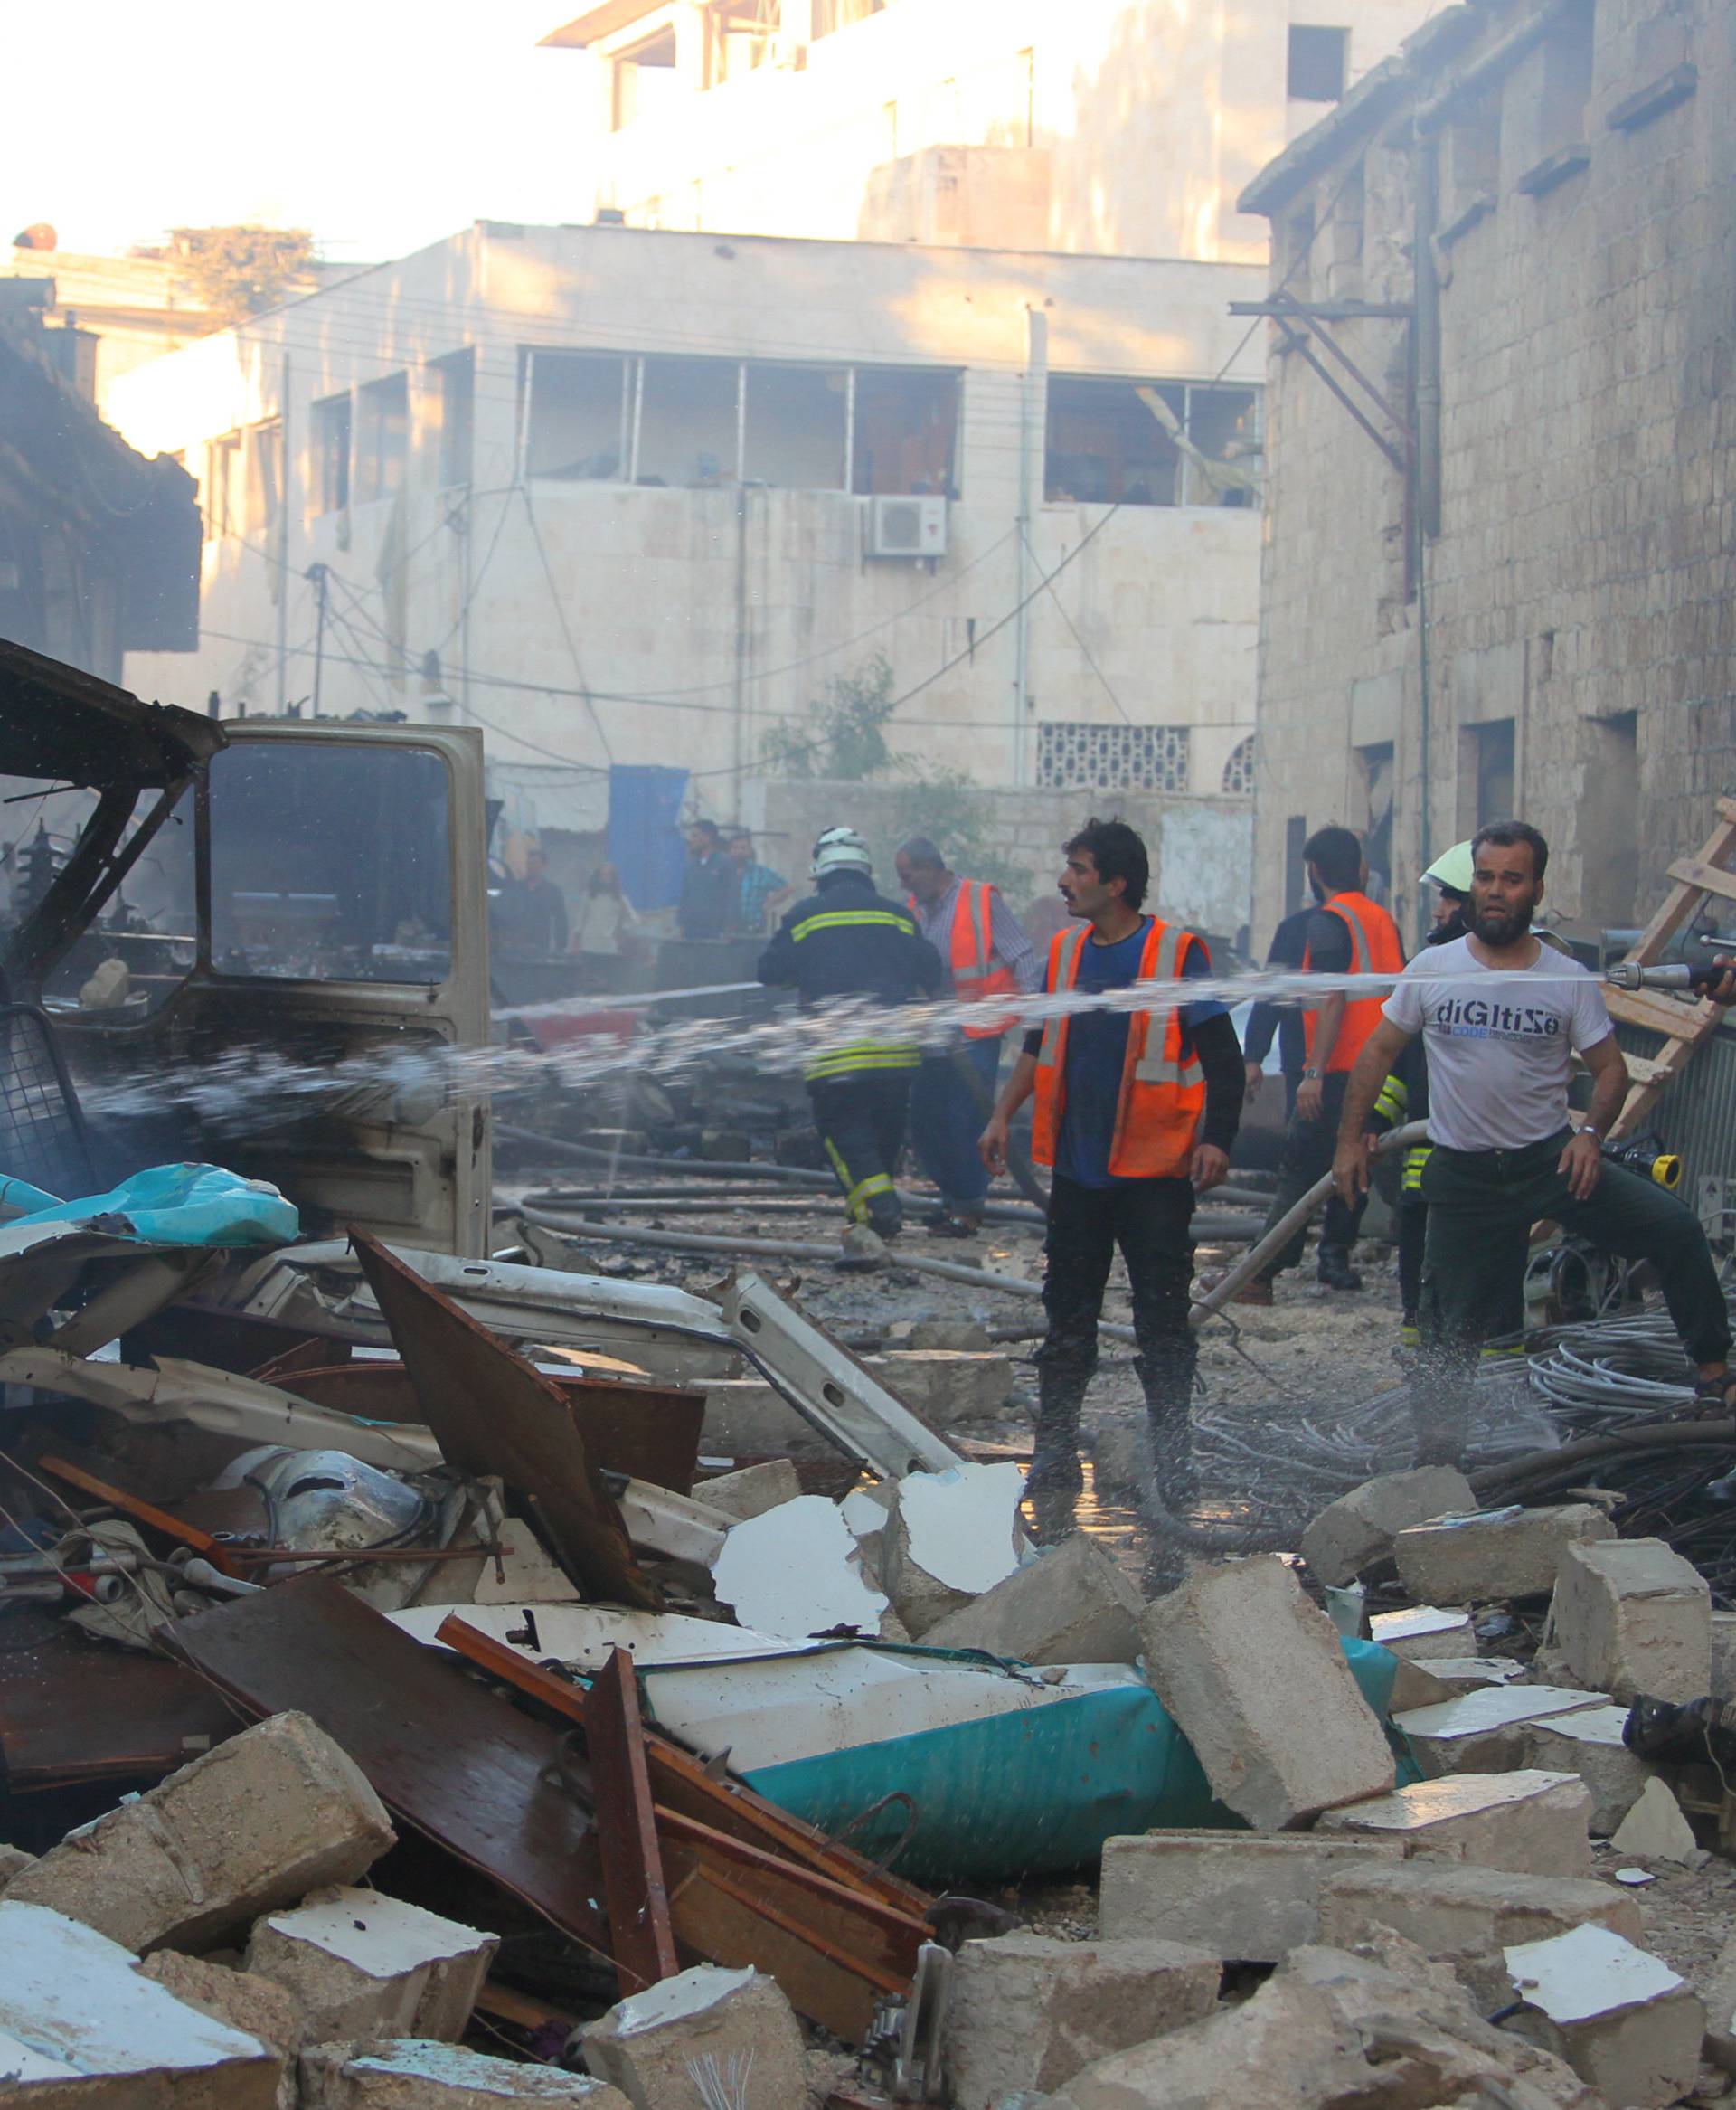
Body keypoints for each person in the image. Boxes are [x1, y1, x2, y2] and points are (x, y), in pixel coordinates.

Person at [1334, 819, 1736, 1467]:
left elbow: (1609, 1070)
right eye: (1484, 877)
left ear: (1536, 889)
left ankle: (1716, 1376)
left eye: (1510, 879)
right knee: (1445, 1332)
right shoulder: (1433, 967)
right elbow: (1377, 1052)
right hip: (1464, 1179)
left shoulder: (1564, 977)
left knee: (1677, 1228)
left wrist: (1588, 1136)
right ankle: (1438, 1465)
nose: (1494, 891)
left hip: (1549, 1164)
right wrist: (1350, 1140)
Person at [978, 818, 1244, 1549]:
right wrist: (1003, 1113)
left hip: (1156, 1174)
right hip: (1078, 1173)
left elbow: (1223, 1058)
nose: (1066, 881)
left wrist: (1217, 1140)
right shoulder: (1064, 954)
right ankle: (1055, 1452)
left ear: (1116, 882)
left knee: (1162, 1321)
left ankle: (1174, 1460)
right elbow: (1039, 1042)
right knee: (1067, 1318)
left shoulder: (1173, 954)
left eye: (1079, 869)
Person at [1238, 824, 1405, 1302]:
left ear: (1313, 872)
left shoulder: (1317, 924)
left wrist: (1294, 1067)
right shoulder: (1380, 921)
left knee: (1301, 1167)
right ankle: (1336, 1255)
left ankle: (1261, 1271)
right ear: (1362, 870)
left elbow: (1304, 997)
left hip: (1327, 1072)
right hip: (1379, 1067)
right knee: (1364, 1161)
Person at [758, 826, 943, 1240]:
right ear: (866, 870)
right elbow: (931, 971)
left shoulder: (806, 915)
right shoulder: (897, 915)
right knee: (884, 1136)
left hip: (837, 1055)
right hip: (897, 1054)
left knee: (846, 1136)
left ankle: (880, 1209)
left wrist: (810, 970)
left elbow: (769, 972)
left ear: (820, 872)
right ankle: (873, 1218)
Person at [894, 837, 1042, 1238]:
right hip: (933, 1033)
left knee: (967, 1118)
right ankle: (950, 1197)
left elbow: (1021, 955)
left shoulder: (979, 899)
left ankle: (968, 1207)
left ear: (930, 869)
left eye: (908, 877)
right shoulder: (913, 909)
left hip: (976, 1029)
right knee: (928, 1119)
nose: (905, 886)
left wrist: (1035, 1019)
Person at [1240, 902, 1315, 1119]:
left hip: (1303, 1064)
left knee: (1303, 1145)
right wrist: (1253, 1056)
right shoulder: (1378, 924)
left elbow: (1271, 997)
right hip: (1361, 1065)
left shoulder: (1297, 927)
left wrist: (1253, 1057)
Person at [571, 863, 641, 980]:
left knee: (606, 983)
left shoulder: (620, 899)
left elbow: (634, 921)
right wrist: (575, 943)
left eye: (609, 875)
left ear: (614, 878)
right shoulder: (588, 896)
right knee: (587, 982)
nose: (605, 878)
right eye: (602, 875)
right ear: (597, 877)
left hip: (608, 948)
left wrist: (622, 931)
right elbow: (579, 921)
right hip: (588, 947)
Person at [677, 819, 737, 941]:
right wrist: (681, 926)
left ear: (707, 838)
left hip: (715, 931)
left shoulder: (724, 863)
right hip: (691, 931)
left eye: (695, 835)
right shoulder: (690, 866)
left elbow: (732, 897)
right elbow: (685, 897)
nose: (691, 840)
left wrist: (729, 929)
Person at [727, 829, 793, 936]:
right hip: (728, 928)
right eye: (735, 848)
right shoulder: (722, 872)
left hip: (754, 926)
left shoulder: (761, 872)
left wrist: (768, 904)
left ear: (749, 850)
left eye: (743, 848)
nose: (739, 851)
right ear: (729, 850)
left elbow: (787, 888)